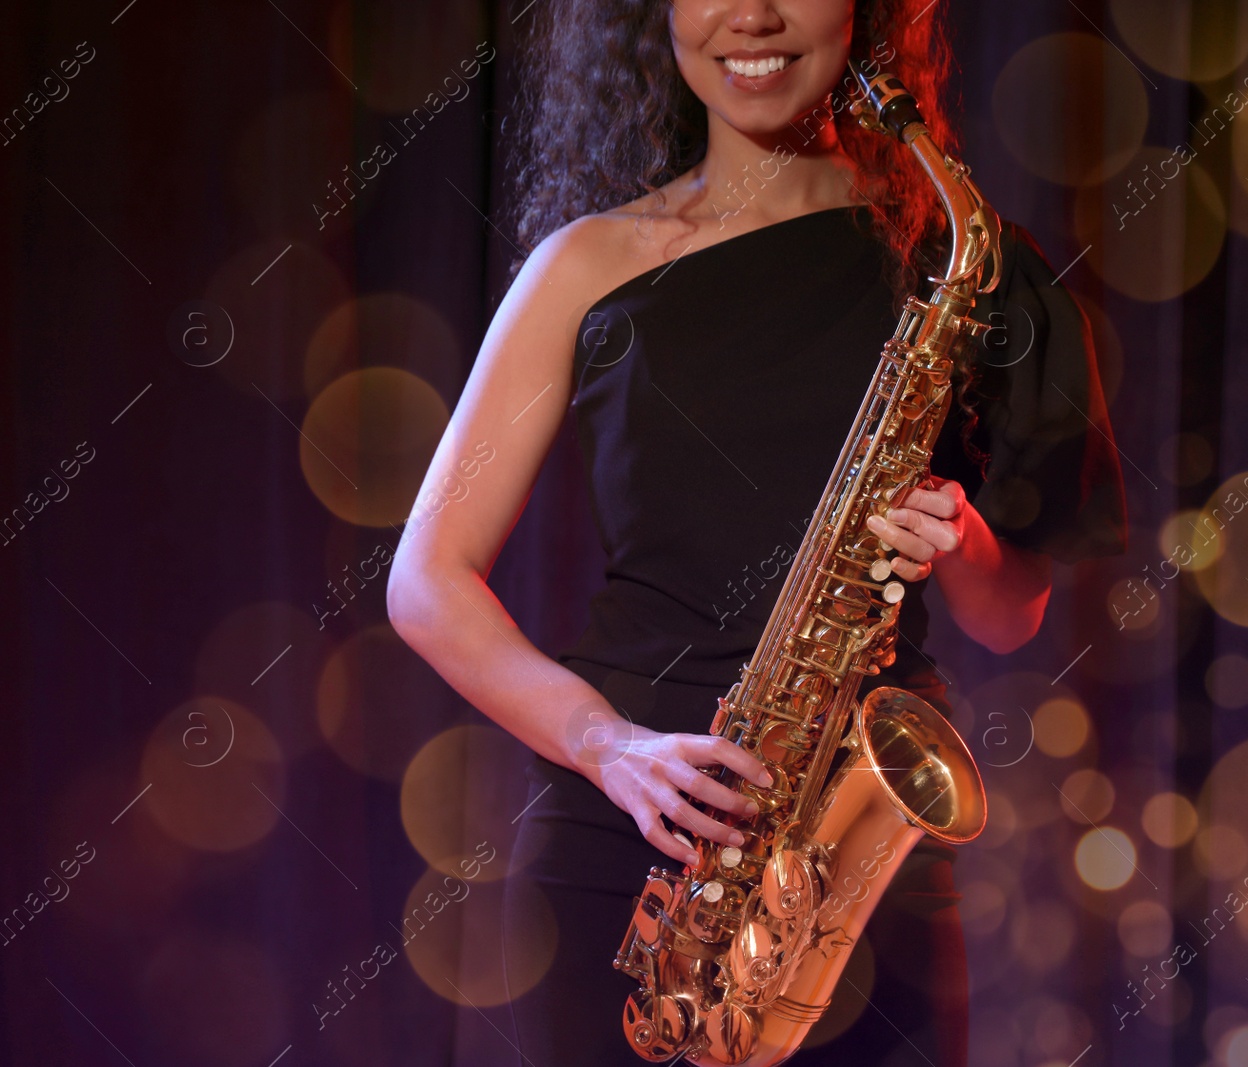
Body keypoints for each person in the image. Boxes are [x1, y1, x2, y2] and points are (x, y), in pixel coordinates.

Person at [387, 1, 1127, 1063]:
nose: (755, 15)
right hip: (633, 839)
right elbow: (425, 580)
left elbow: (1013, 617)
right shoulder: (585, 266)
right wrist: (612, 747)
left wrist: (964, 538)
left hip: (863, 872)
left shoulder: (968, 259)